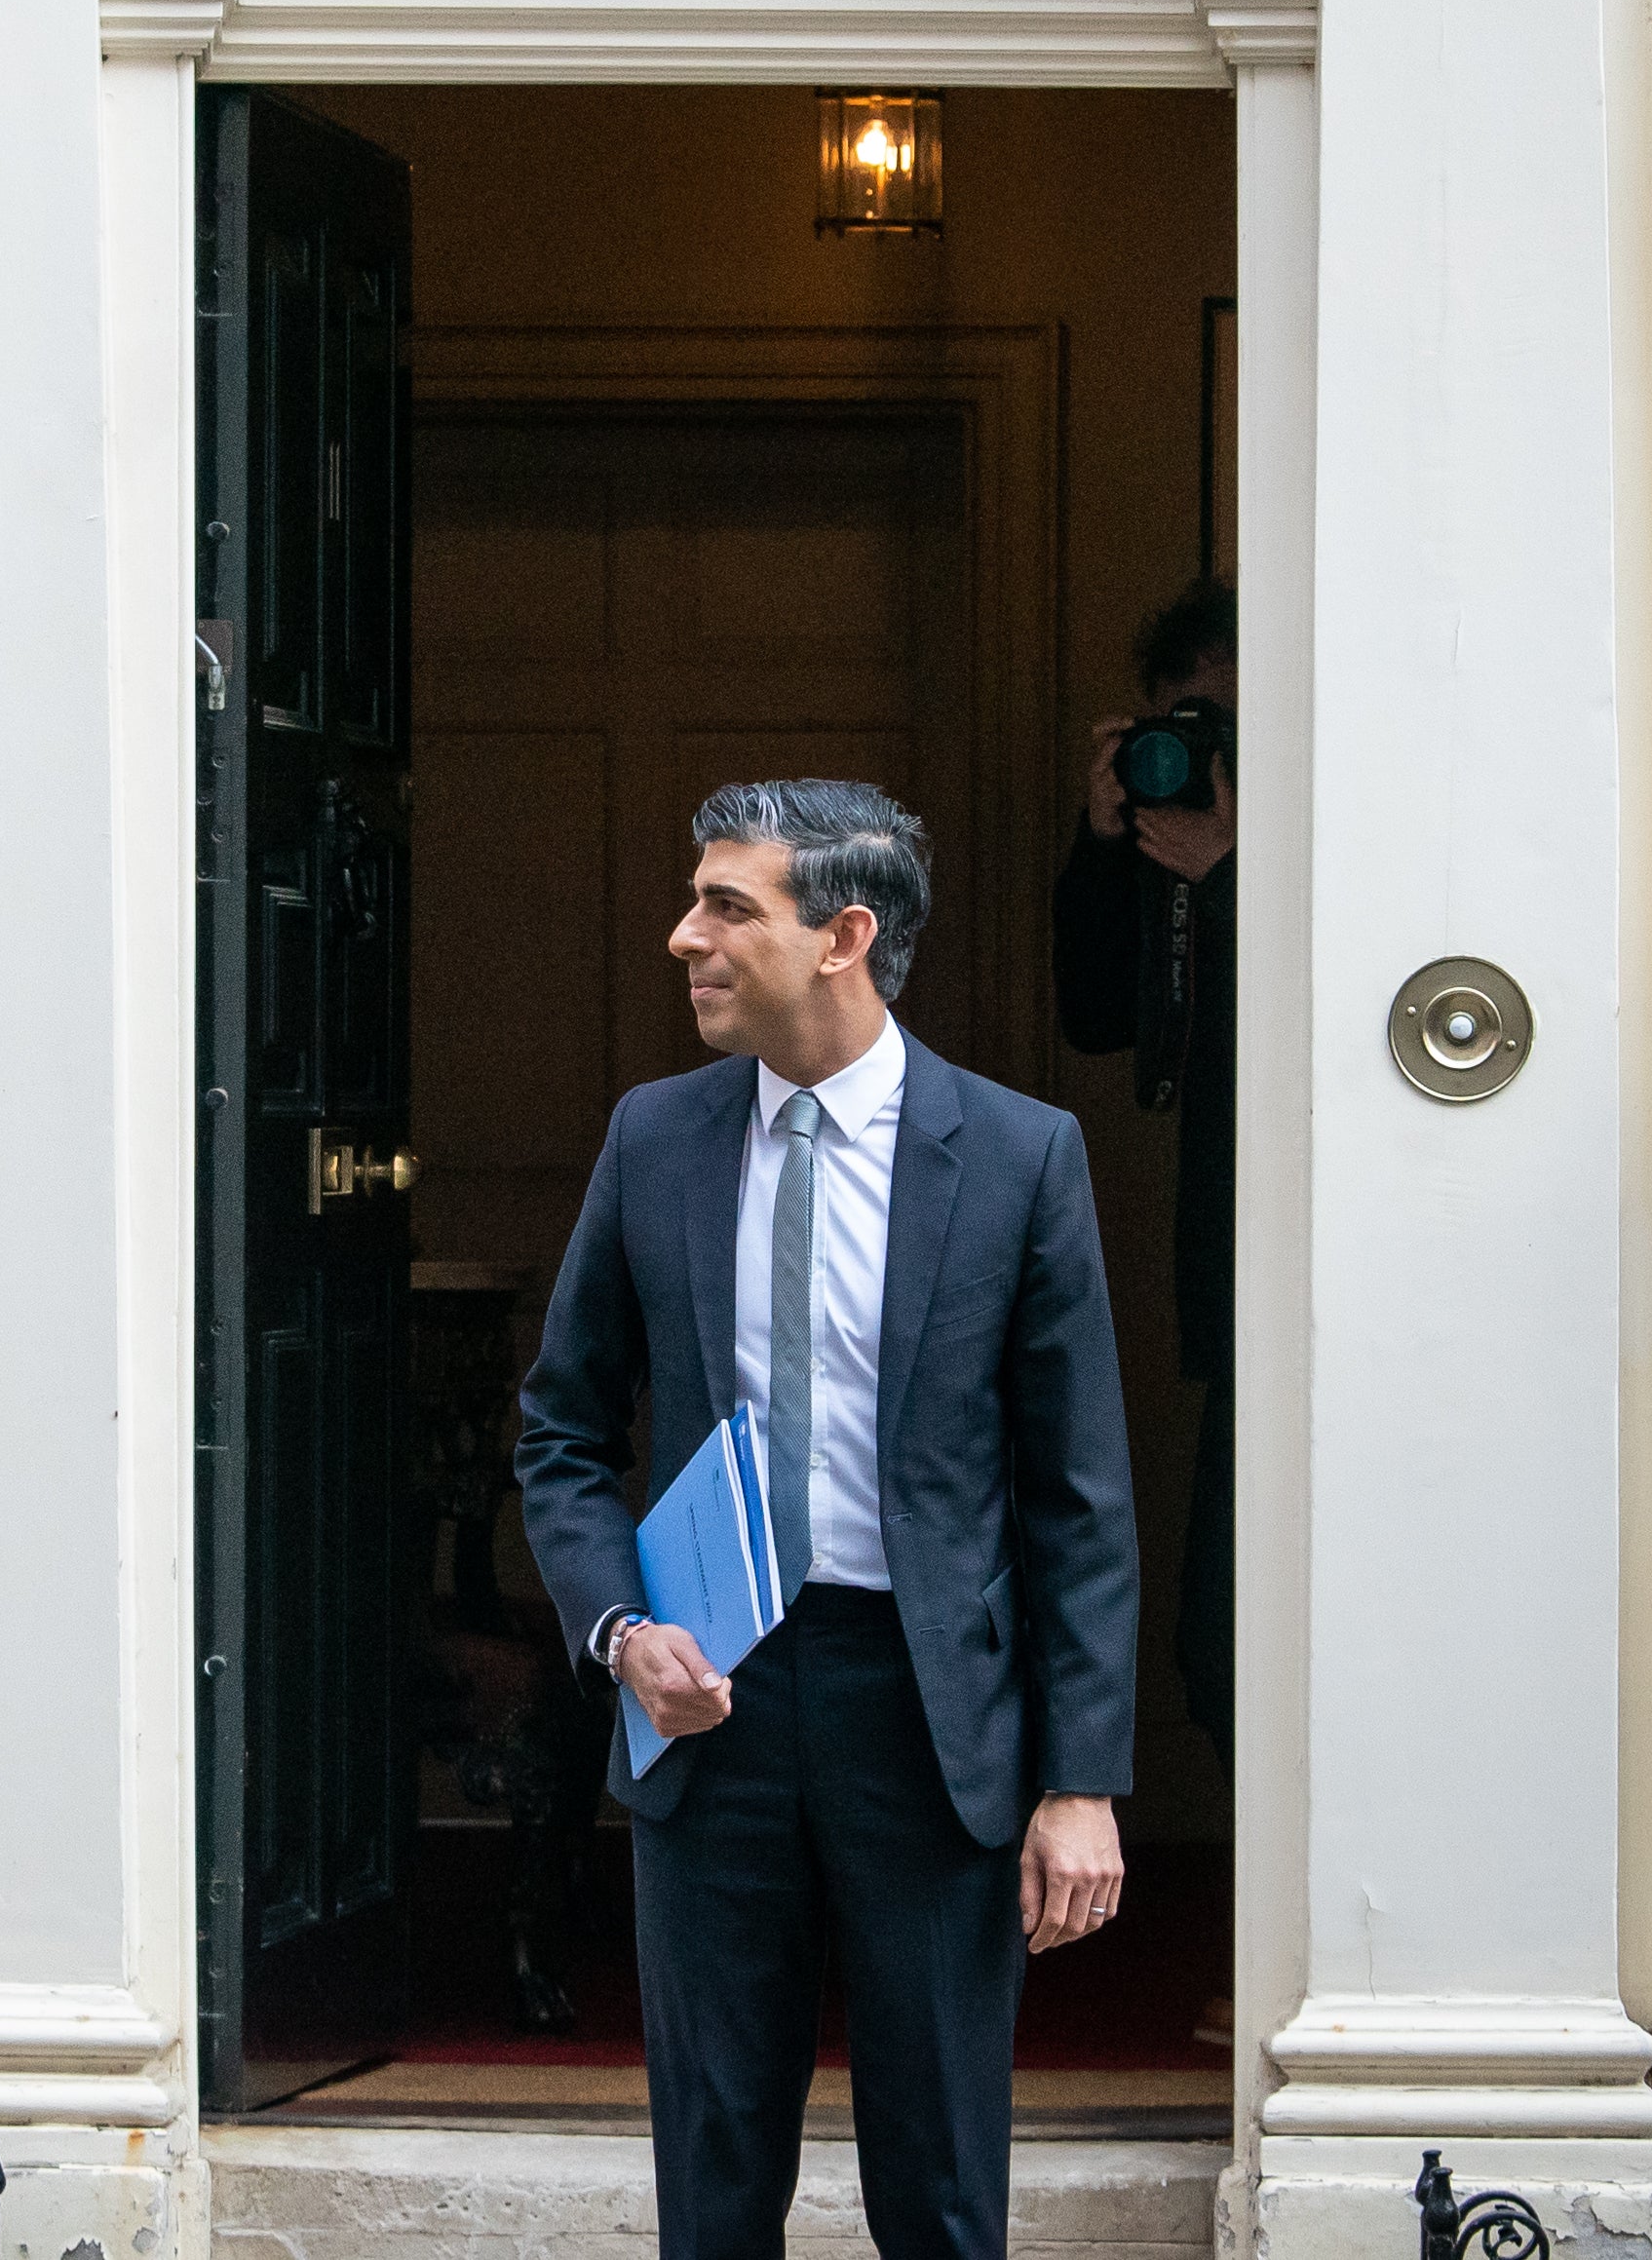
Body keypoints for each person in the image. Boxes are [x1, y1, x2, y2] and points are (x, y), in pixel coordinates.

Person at [515, 779, 1137, 2260]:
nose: (683, 936)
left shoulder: (1014, 1154)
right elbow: (560, 1432)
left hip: (923, 1716)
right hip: (706, 1703)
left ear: (842, 934)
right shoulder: (651, 1139)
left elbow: (1076, 1494)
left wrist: (1078, 1778)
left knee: (934, 2174)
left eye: (726, 906)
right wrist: (618, 1632)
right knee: (715, 2170)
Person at [1052, 582, 1235, 1791]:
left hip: (1321, 1277)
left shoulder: (1334, 853)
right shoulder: (1174, 860)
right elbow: (1098, 1016)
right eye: (1184, 724)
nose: (1200, 755)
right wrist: (1103, 840)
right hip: (1228, 1275)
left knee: (1236, 1624)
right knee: (1213, 1628)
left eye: (1224, 728)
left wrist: (1237, 875)